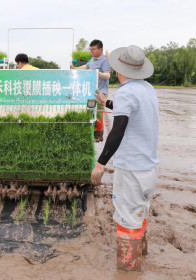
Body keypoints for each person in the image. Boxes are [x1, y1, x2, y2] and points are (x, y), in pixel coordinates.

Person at [91, 45, 159, 271]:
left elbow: (117, 131)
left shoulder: (126, 92)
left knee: (127, 217)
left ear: (119, 69)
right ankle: (142, 255)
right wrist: (105, 102)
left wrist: (100, 163)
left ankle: (129, 270)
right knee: (140, 212)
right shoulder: (147, 89)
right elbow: (130, 112)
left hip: (130, 170)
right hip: (149, 168)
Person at [72, 39, 111, 142]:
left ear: (100, 49)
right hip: (91, 91)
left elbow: (107, 75)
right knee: (89, 111)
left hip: (101, 91)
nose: (91, 52)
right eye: (90, 50)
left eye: (93, 49)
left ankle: (98, 135)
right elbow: (86, 66)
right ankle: (90, 132)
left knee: (98, 113)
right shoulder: (92, 60)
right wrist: (75, 68)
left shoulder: (104, 60)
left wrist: (97, 73)